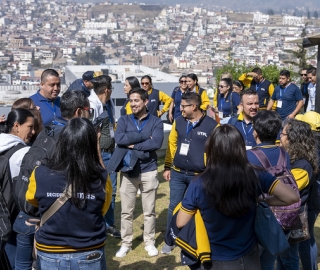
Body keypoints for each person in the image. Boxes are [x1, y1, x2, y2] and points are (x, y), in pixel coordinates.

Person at [176, 125, 300, 270]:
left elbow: (180, 222)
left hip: (214, 258)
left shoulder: (198, 183)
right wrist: (260, 199)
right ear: (240, 148)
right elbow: (291, 197)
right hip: (249, 257)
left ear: (211, 149)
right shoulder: (256, 174)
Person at [25, 118, 111, 270]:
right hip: (89, 252)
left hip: (50, 252)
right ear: (91, 145)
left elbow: (31, 199)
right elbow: (103, 209)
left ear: (61, 142)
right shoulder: (102, 178)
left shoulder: (39, 174)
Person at [161, 92, 218, 254]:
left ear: (194, 106)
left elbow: (216, 151)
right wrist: (167, 166)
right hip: (178, 173)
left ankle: (198, 240)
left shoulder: (212, 125)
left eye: (183, 106)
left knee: (200, 208)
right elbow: (171, 144)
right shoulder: (179, 121)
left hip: (199, 175)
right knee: (174, 206)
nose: (180, 109)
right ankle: (170, 240)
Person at [112, 88, 164, 258]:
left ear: (146, 101)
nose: (133, 104)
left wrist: (133, 143)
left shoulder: (156, 121)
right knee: (127, 211)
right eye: (131, 100)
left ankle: (149, 242)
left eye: (136, 100)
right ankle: (126, 243)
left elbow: (156, 143)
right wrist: (143, 137)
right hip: (128, 171)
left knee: (149, 210)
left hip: (149, 170)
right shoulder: (124, 120)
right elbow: (119, 139)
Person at [246, 110, 291, 269]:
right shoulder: (285, 154)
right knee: (268, 262)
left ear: (255, 132)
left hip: (257, 216)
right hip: (280, 215)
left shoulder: (247, 156)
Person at [277, 118, 318, 270]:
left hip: (292, 219)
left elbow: (284, 188)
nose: (279, 137)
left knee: (289, 258)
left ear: (293, 139)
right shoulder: (291, 158)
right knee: (283, 257)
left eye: (282, 134)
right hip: (286, 218)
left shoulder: (303, 165)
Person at [0, 109, 35, 269]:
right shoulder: (23, 153)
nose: (33, 132)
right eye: (30, 127)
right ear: (16, 126)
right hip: (13, 215)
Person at [89, 75, 120, 239]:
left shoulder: (107, 103)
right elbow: (93, 136)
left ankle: (108, 224)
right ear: (107, 90)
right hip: (99, 155)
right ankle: (98, 223)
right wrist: (99, 160)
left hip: (110, 152)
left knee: (111, 190)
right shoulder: (92, 105)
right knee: (99, 190)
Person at [295, 111, 320, 270]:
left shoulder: (312, 149)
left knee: (305, 241)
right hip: (316, 198)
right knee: (309, 238)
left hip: (311, 200)